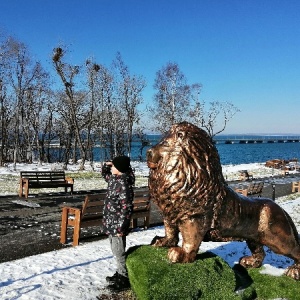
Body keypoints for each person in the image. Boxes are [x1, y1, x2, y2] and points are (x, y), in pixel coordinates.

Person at [101, 155, 135, 292]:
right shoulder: (114, 179)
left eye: (114, 166)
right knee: (115, 250)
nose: (111, 168)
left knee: (119, 251)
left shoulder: (123, 184)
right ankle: (119, 272)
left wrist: (121, 226)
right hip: (110, 222)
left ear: (119, 169)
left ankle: (124, 278)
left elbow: (127, 208)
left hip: (118, 225)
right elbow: (104, 174)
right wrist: (107, 164)